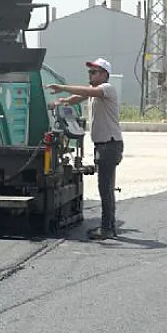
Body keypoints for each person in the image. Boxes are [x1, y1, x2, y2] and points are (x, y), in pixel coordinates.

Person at [48, 57, 123, 240]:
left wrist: (63, 87)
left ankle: (106, 228)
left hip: (109, 144)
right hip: (105, 144)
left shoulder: (106, 88)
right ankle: (109, 226)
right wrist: (62, 102)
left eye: (94, 72)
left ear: (104, 75)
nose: (90, 74)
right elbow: (79, 97)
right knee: (107, 188)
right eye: (90, 72)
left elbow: (85, 91)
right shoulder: (95, 91)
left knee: (105, 188)